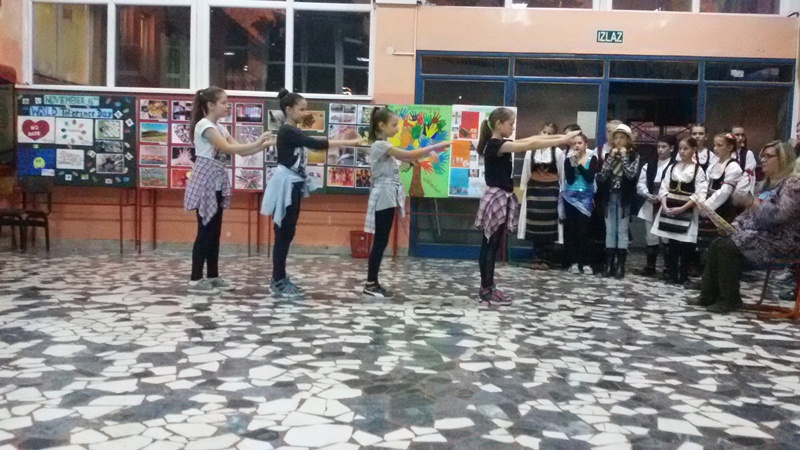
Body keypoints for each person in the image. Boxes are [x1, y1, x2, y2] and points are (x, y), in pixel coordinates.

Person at [261, 89, 363, 298]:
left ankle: (280, 277)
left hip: (293, 184)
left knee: (287, 232)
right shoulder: (288, 131)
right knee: (283, 233)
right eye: (301, 109)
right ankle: (277, 279)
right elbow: (316, 143)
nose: (304, 113)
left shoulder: (291, 131)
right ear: (289, 110)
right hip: (286, 185)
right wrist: (349, 142)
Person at [475, 107, 577, 305]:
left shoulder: (500, 143)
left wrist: (562, 137)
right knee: (490, 245)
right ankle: (487, 289)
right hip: (496, 197)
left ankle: (487, 287)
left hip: (499, 196)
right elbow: (531, 143)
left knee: (491, 244)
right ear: (499, 124)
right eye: (511, 124)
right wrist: (562, 139)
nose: (513, 127)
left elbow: (531, 139)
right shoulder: (496, 145)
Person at [692, 141, 800, 313]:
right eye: (762, 156)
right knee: (717, 243)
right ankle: (708, 295)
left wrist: (752, 202)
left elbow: (779, 215)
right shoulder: (764, 184)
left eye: (768, 156)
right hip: (758, 236)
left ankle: (730, 299)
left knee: (728, 247)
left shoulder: (792, 184)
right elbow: (748, 214)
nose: (762, 160)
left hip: (779, 240)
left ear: (783, 159)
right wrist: (732, 226)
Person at [185, 87, 274, 294]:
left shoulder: (220, 128)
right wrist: (258, 142)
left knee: (214, 232)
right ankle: (195, 279)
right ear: (210, 105)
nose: (228, 106)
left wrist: (262, 145)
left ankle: (213, 276)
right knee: (205, 231)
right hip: (205, 182)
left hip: (216, 181)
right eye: (224, 102)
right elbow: (228, 149)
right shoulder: (204, 125)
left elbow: (242, 150)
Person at [362, 107, 450, 298]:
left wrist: (426, 155)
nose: (397, 129)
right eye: (394, 125)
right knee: (380, 241)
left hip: (388, 195)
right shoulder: (380, 145)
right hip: (383, 196)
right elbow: (408, 156)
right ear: (381, 125)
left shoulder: (385, 146)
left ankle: (373, 282)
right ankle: (370, 283)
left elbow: (407, 162)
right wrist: (434, 147)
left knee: (382, 240)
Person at [651, 137, 708, 285]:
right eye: (680, 148)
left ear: (694, 150)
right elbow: (664, 187)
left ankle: (683, 275)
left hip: (687, 211)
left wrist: (683, 208)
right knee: (672, 244)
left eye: (686, 149)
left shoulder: (698, 170)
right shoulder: (672, 168)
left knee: (686, 246)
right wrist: (664, 205)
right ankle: (672, 274)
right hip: (670, 209)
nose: (682, 152)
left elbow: (700, 193)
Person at [517, 122, 564, 270]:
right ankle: (537, 256)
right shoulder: (530, 152)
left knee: (550, 224)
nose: (546, 135)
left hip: (551, 193)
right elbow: (526, 173)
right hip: (534, 192)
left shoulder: (557, 153)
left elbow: (562, 174)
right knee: (534, 224)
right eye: (544, 132)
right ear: (539, 132)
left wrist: (562, 192)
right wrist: (523, 191)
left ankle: (547, 258)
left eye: (550, 133)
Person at [596, 123, 640, 279]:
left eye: (622, 138)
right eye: (616, 138)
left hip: (624, 198)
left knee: (622, 231)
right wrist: (611, 157)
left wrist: (624, 157)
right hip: (610, 196)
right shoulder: (610, 155)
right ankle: (609, 264)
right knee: (610, 230)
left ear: (628, 140)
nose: (619, 141)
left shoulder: (634, 156)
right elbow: (602, 175)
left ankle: (620, 265)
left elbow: (630, 174)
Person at [697, 133, 744, 258]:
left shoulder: (733, 167)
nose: (715, 148)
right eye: (714, 145)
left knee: (718, 242)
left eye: (719, 145)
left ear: (730, 147)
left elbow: (725, 191)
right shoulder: (713, 164)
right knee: (703, 241)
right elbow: (705, 184)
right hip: (707, 206)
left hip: (722, 208)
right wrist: (701, 199)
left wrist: (706, 207)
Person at [634, 134, 675, 277]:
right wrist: (647, 194)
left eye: (664, 147)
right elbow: (641, 183)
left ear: (671, 148)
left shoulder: (675, 166)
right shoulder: (649, 165)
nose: (660, 150)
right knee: (651, 236)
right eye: (658, 147)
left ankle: (668, 268)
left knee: (666, 237)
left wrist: (663, 196)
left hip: (667, 204)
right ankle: (650, 267)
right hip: (650, 203)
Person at [561, 133, 599, 275]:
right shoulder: (568, 160)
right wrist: (572, 163)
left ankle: (586, 262)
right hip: (570, 197)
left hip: (586, 197)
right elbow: (570, 179)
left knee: (584, 231)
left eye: (580, 143)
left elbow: (589, 178)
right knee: (572, 230)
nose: (577, 146)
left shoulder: (592, 158)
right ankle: (574, 262)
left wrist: (579, 164)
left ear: (586, 145)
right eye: (574, 143)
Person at [731, 125, 757, 194]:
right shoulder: (726, 153)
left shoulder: (748, 154)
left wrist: (732, 192)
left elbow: (747, 177)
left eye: (742, 135)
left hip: (741, 194)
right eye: (737, 135)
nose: (740, 138)